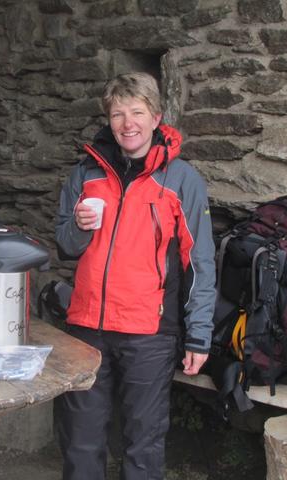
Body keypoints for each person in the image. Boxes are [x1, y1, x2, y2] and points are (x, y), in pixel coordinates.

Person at [55, 72, 216, 480]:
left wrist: (199, 335)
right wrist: (79, 226)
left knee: (143, 444)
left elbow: (200, 262)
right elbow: (65, 245)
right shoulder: (86, 173)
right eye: (118, 114)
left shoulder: (182, 180)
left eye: (137, 112)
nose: (128, 123)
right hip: (87, 326)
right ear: (109, 120)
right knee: (80, 440)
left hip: (149, 332)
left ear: (156, 117)